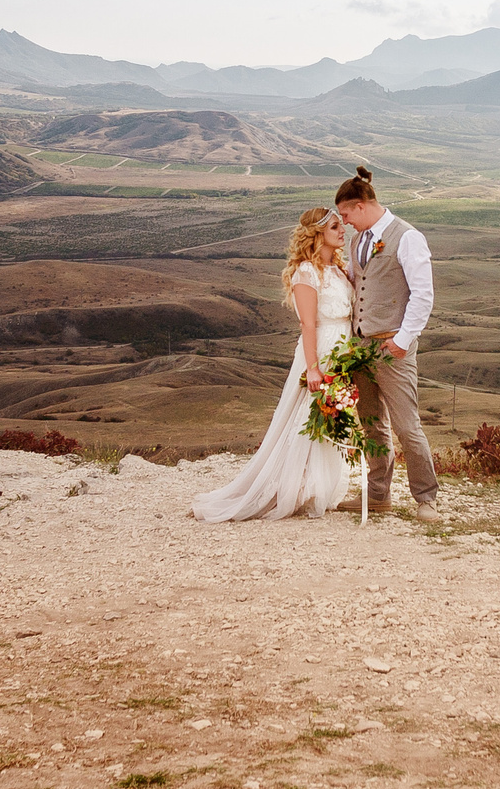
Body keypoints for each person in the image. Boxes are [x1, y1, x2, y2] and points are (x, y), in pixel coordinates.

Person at [188, 206, 356, 522]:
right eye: (335, 227)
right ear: (317, 233)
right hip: (321, 349)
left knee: (331, 416)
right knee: (307, 417)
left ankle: (316, 486)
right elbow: (308, 324)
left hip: (343, 349)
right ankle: (290, 487)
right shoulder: (306, 272)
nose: (342, 230)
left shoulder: (339, 268)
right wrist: (313, 368)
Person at [332, 166, 440, 516]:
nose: (345, 222)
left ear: (361, 206)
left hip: (393, 348)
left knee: (407, 427)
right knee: (372, 425)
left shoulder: (407, 237)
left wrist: (403, 340)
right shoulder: (358, 240)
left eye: (346, 214)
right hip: (361, 348)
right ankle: (378, 495)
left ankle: (426, 498)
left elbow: (422, 295)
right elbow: (359, 283)